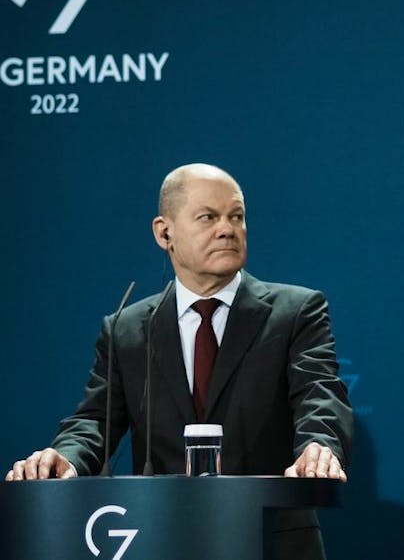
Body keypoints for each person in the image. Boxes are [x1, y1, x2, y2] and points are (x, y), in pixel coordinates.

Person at [5, 163, 352, 558]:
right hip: (160, 538)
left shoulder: (296, 312)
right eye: (208, 217)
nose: (227, 229)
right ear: (164, 232)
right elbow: (95, 421)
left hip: (270, 539)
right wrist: (65, 458)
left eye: (236, 217)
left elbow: (319, 395)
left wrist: (320, 445)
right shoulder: (127, 328)